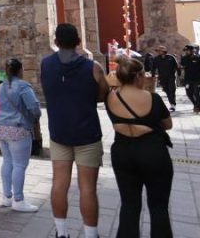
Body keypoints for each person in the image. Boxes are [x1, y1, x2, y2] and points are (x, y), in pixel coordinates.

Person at [41, 23, 110, 238]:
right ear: (79, 42)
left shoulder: (46, 65)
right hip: (87, 133)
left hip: (59, 132)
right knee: (87, 187)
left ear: (56, 41)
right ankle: (91, 234)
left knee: (59, 183)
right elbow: (103, 94)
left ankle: (61, 232)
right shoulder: (93, 67)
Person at [106, 55, 173, 237]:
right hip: (153, 153)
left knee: (129, 205)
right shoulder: (153, 98)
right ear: (137, 76)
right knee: (158, 207)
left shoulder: (110, 98)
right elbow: (168, 124)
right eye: (144, 75)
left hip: (122, 153)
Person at [0, 58, 41, 213]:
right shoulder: (23, 86)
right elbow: (34, 107)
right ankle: (19, 200)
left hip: (1, 127)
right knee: (20, 165)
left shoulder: (2, 86)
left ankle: (7, 197)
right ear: (20, 70)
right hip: (18, 128)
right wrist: (36, 117)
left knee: (7, 161)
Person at [152, 45, 179, 112]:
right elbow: (153, 67)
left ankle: (172, 104)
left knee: (171, 90)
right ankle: (171, 102)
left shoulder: (171, 57)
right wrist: (153, 75)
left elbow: (176, 65)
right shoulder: (156, 59)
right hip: (162, 78)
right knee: (166, 90)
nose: (158, 52)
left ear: (164, 51)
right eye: (157, 51)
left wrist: (179, 72)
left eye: (159, 51)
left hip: (171, 77)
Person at [181, 45, 200, 113]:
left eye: (187, 50)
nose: (186, 52)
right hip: (188, 79)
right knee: (189, 93)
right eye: (185, 51)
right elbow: (182, 67)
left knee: (196, 93)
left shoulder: (198, 58)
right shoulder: (184, 58)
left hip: (197, 79)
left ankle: (197, 107)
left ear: (192, 51)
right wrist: (182, 77)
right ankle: (196, 104)